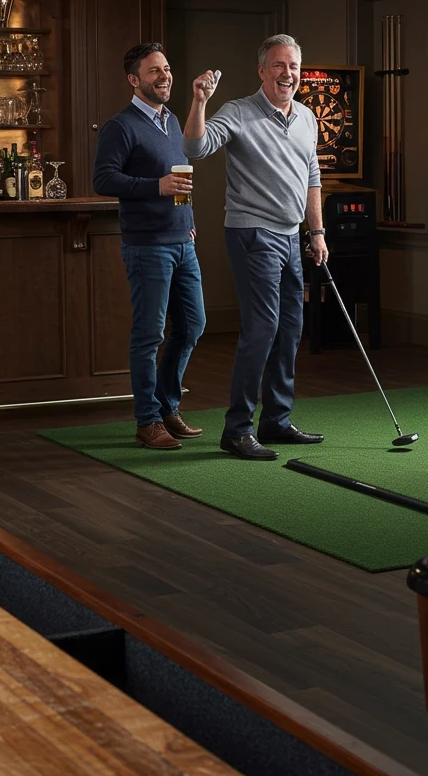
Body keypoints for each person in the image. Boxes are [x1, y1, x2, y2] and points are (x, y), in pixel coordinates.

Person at [182, 34, 327, 460]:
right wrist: (199, 101)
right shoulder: (239, 112)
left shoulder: (305, 117)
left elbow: (312, 177)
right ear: (262, 70)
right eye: (279, 66)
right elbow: (195, 146)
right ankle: (237, 429)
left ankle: (276, 421)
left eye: (294, 66)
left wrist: (316, 232)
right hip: (252, 234)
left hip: (290, 234)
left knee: (290, 330)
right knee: (262, 329)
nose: (288, 74)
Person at [93, 42, 205, 450]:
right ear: (134, 79)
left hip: (182, 242)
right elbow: (103, 180)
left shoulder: (172, 120)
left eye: (167, 68)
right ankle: (147, 421)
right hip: (147, 246)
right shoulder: (120, 126)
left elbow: (180, 181)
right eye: (154, 71)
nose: (165, 77)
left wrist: (187, 223)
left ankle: (166, 406)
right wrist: (155, 187)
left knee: (193, 326)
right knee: (149, 335)